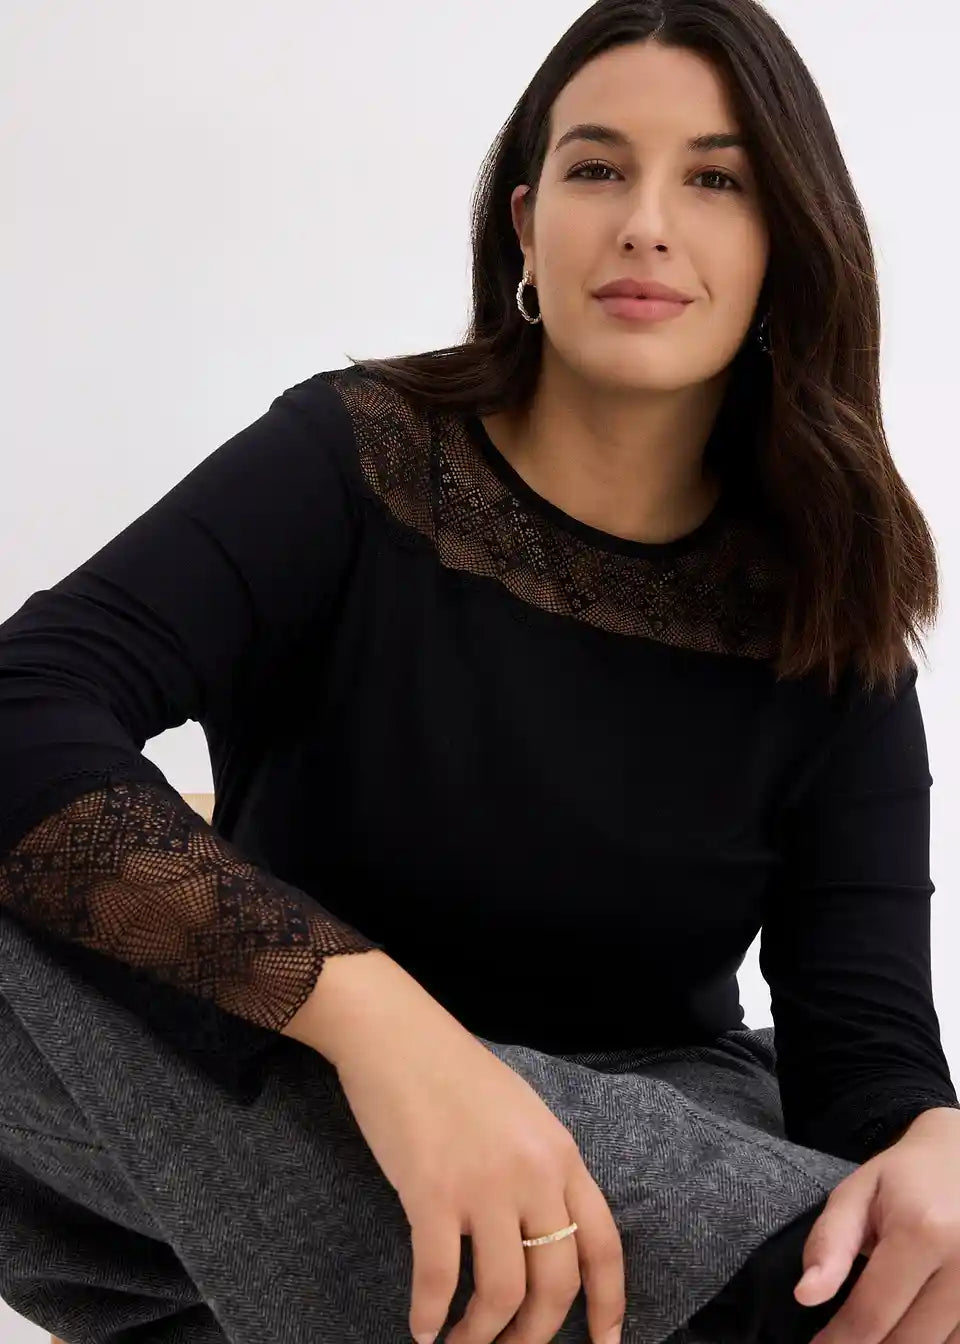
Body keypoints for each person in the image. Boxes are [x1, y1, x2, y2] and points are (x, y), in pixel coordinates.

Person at [1, 1, 958, 1342]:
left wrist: (932, 1145)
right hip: (292, 1073)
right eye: (598, 167)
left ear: (788, 245)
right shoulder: (353, 459)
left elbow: (860, 1045)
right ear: (526, 225)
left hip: (634, 1139)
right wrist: (385, 1032)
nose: (646, 223)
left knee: (878, 1241)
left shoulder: (827, 596)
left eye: (716, 180)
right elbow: (25, 704)